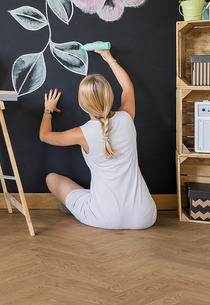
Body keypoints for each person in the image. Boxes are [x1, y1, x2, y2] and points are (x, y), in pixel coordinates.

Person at [39, 49, 157, 230]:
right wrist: (109, 58)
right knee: (88, 193)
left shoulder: (81, 133)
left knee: (51, 178)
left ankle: (80, 203)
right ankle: (84, 200)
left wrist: (48, 110)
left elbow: (44, 136)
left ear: (82, 104)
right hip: (144, 216)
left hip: (104, 217)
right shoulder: (127, 117)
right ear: (110, 97)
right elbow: (127, 86)